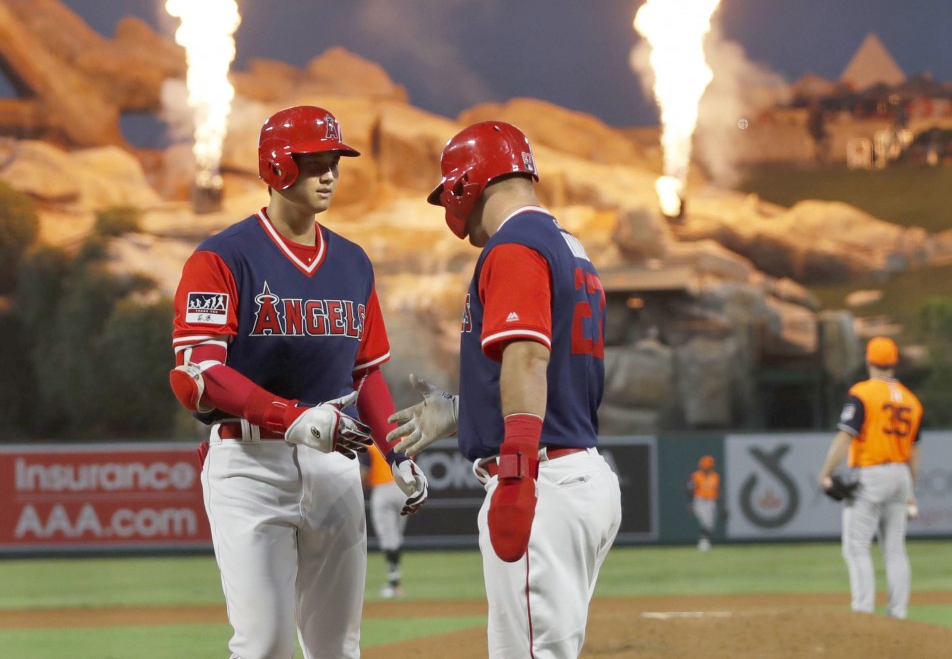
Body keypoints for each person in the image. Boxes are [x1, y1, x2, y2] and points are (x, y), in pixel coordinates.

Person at [169, 105, 428, 659]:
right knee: (264, 645)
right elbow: (202, 375)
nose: (329, 173)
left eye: (333, 160)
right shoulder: (221, 257)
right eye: (314, 161)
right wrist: (293, 418)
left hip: (335, 465)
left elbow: (366, 373)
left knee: (338, 647)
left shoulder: (353, 262)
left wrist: (398, 451)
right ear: (278, 166)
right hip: (249, 464)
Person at [387, 121, 622, 658]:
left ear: (469, 182)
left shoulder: (513, 246)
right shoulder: (569, 245)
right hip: (573, 468)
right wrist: (468, 414)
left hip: (541, 479)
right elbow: (554, 373)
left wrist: (515, 472)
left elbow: (529, 357)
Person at [818, 336, 922, 620]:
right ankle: (897, 613)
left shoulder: (863, 393)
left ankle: (863, 614)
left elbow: (845, 436)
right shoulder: (913, 401)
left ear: (868, 361)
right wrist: (910, 488)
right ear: (894, 363)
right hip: (900, 473)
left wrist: (826, 472)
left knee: (856, 547)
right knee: (895, 550)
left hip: (873, 472)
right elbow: (915, 452)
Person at [362, 444, 410, 598]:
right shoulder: (405, 441)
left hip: (382, 489)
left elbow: (364, 471)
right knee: (396, 537)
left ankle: (394, 583)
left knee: (388, 538)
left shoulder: (371, 445)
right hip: (405, 489)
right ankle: (395, 581)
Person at [688, 455, 720, 552]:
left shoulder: (715, 476)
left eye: (709, 466)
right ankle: (703, 542)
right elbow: (689, 490)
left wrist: (722, 505)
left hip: (711, 500)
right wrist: (690, 503)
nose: (707, 468)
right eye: (706, 466)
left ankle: (705, 541)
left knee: (710, 524)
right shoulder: (696, 475)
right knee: (704, 522)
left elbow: (718, 491)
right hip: (700, 500)